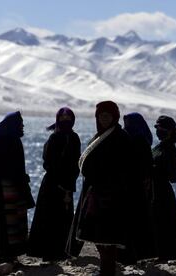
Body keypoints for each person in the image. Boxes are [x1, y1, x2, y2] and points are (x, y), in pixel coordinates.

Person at [66, 101, 131, 276]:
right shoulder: (99, 137)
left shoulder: (120, 138)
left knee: (108, 239)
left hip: (111, 197)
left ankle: (107, 271)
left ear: (114, 117)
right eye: (101, 116)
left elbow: (121, 168)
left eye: (107, 116)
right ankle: (107, 270)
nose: (104, 119)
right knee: (99, 238)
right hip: (96, 193)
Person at [0, 111, 35, 267]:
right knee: (6, 222)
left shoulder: (3, 140)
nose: (23, 126)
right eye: (20, 123)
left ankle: (5, 255)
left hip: (5, 186)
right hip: (6, 188)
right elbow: (2, 167)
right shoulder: (10, 141)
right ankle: (6, 255)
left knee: (5, 222)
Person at [27, 107, 81, 262]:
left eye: (68, 118)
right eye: (62, 118)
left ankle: (63, 250)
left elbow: (77, 161)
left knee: (64, 218)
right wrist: (59, 181)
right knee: (49, 217)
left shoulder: (75, 138)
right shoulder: (53, 139)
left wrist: (70, 181)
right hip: (52, 184)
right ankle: (47, 252)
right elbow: (48, 162)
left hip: (67, 184)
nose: (66, 121)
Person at [117, 112, 156, 264]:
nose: (127, 127)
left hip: (136, 188)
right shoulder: (130, 139)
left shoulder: (139, 141)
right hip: (129, 187)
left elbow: (145, 166)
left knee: (135, 222)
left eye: (129, 123)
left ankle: (134, 256)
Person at [151, 115, 176, 261]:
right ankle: (157, 252)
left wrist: (158, 171)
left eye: (162, 128)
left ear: (171, 131)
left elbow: (175, 169)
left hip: (162, 190)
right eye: (158, 128)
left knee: (163, 221)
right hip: (155, 188)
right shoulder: (159, 146)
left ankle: (165, 254)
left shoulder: (169, 148)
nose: (159, 131)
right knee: (157, 220)